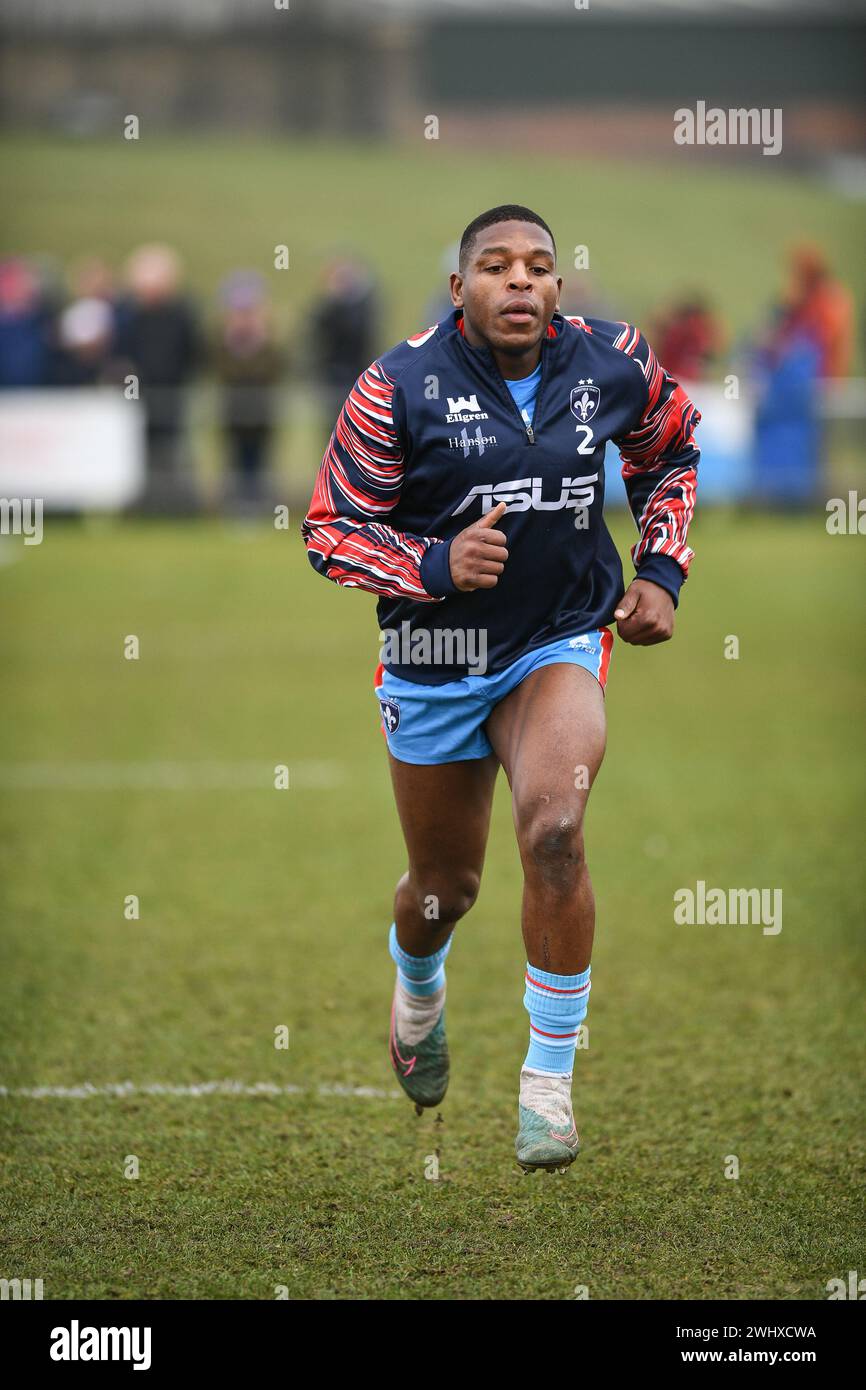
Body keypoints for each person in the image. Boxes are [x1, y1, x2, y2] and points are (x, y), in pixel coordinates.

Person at [302, 205, 700, 1172]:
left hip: (555, 642)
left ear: (559, 288)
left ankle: (548, 1088)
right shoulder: (394, 386)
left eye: (538, 267)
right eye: (495, 266)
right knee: (446, 888)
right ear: (459, 289)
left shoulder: (612, 361)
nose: (519, 281)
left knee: (555, 834)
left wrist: (659, 568)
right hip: (435, 666)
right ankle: (419, 989)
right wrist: (435, 565)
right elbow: (330, 530)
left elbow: (669, 448)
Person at [212, 270, 283, 509]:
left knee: (259, 460)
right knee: (234, 459)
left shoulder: (268, 343)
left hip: (262, 413)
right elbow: (222, 372)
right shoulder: (222, 343)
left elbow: (274, 371)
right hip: (232, 411)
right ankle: (235, 504)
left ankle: (258, 504)